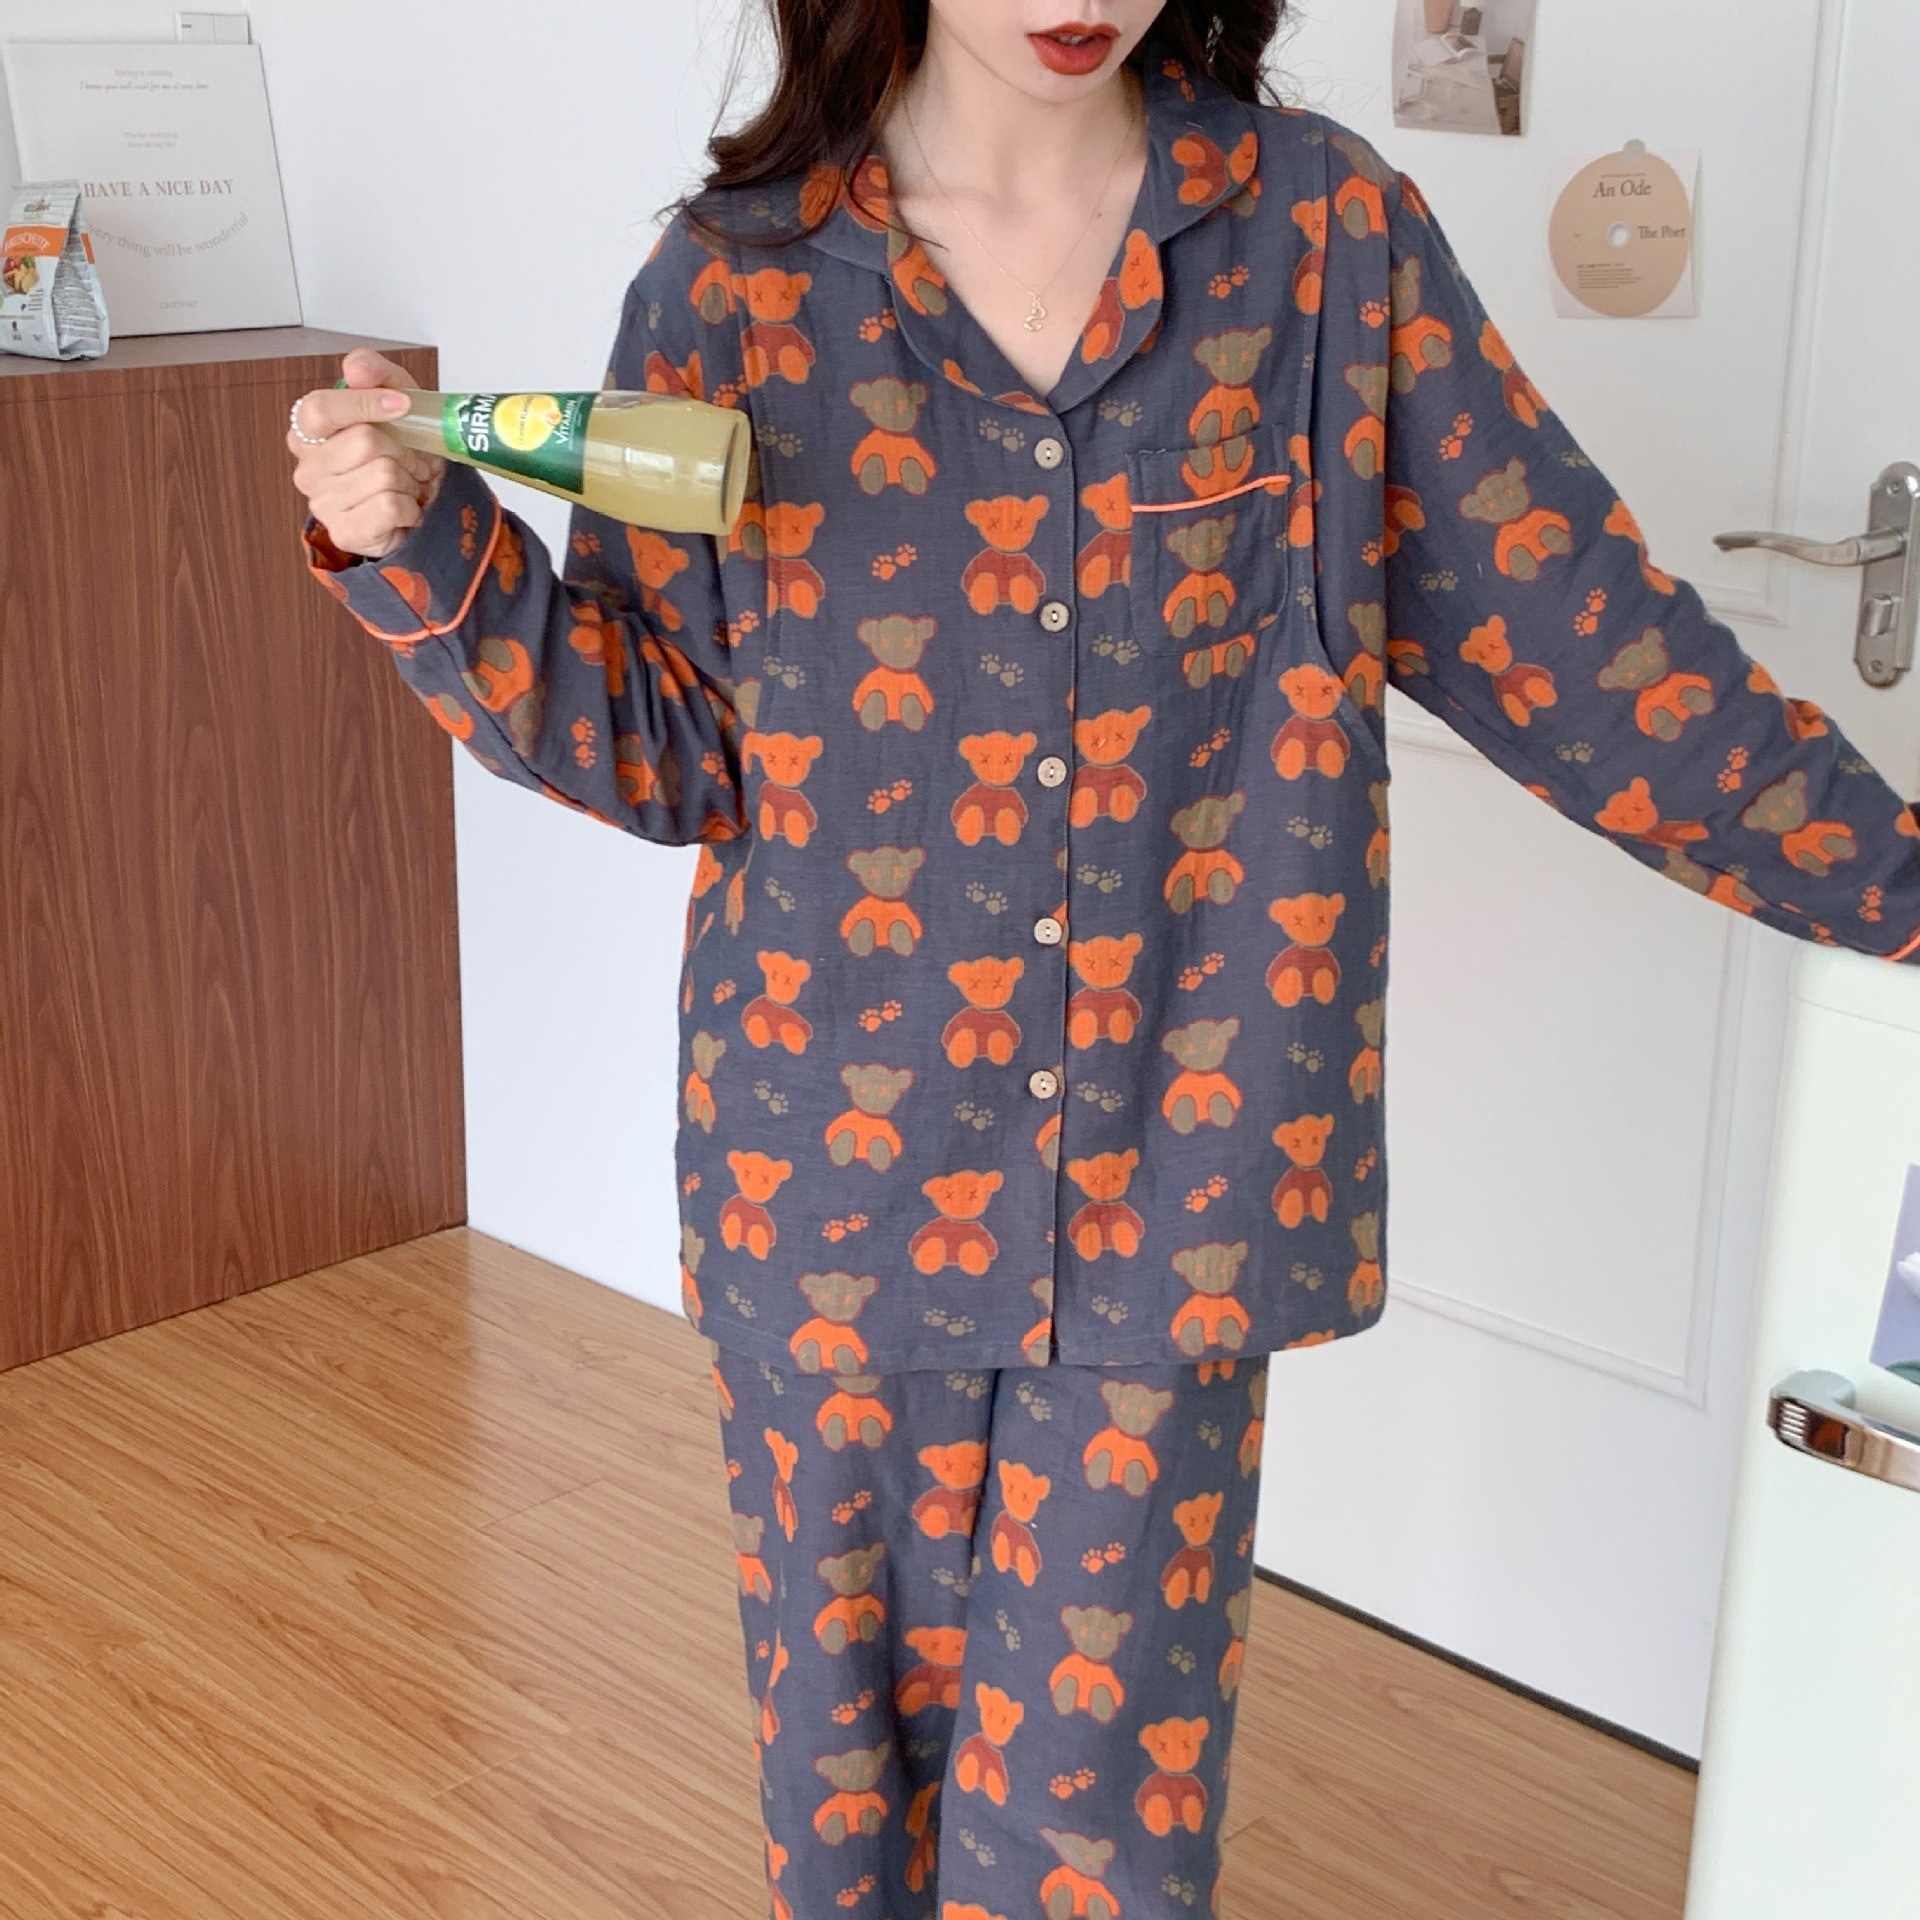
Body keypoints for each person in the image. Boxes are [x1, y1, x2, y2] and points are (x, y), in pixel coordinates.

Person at [286, 3, 1920, 1913]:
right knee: (848, 1807)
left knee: (1099, 1840)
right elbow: (668, 747)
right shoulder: (732, 286)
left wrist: (1903, 884)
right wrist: (428, 550)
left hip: (1177, 1194)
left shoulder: (1322, 243)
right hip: (832, 1181)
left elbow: (1594, 652)